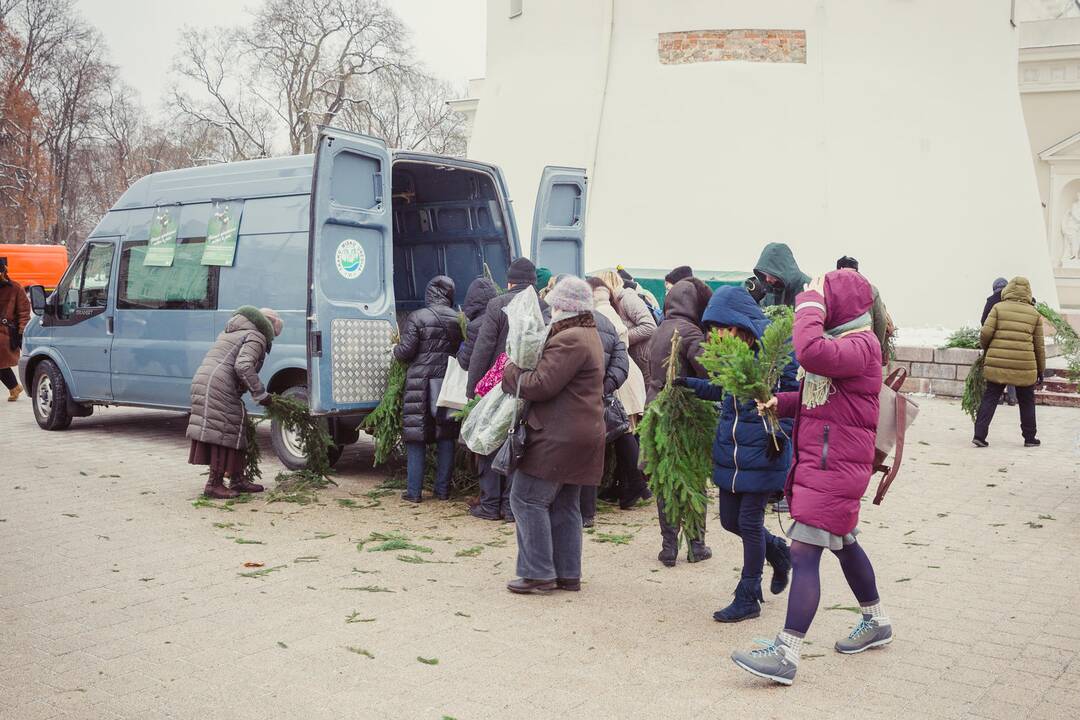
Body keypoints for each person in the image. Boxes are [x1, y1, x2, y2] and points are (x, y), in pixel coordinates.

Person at [731, 270, 889, 686]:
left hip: (834, 469)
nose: (819, 300)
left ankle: (787, 652)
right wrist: (780, 402)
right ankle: (877, 621)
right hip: (830, 465)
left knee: (803, 553)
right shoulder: (849, 345)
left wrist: (809, 305)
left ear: (841, 305)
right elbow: (826, 395)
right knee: (844, 543)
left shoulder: (860, 343)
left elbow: (810, 353)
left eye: (826, 297)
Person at [679, 286, 796, 623]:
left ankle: (748, 595)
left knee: (748, 521)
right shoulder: (732, 359)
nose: (717, 336)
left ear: (742, 326)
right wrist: (689, 384)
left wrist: (777, 432)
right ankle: (777, 551)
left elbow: (790, 401)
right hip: (731, 455)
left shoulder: (774, 358)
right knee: (731, 521)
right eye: (712, 329)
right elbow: (721, 390)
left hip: (762, 453)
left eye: (723, 328)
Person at [502, 277, 605, 594]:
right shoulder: (589, 335)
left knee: (526, 498)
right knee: (564, 504)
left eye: (555, 304)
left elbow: (541, 384)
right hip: (581, 434)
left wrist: (511, 371)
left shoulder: (570, 339)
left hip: (560, 435)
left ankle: (538, 573)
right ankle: (566, 574)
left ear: (566, 307)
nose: (551, 309)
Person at [467, 257, 550, 521]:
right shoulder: (545, 306)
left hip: (498, 386)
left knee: (491, 439)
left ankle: (491, 505)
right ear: (534, 283)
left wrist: (473, 388)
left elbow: (483, 347)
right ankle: (511, 506)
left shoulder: (498, 304)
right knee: (520, 442)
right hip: (531, 388)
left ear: (509, 281)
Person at [645, 277, 714, 566]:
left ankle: (668, 546)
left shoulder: (660, 328)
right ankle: (697, 545)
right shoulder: (690, 332)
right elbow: (708, 371)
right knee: (693, 477)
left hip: (656, 409)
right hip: (686, 413)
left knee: (666, 479)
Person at [188, 306, 283, 499]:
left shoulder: (237, 329)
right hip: (217, 384)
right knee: (223, 429)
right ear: (269, 326)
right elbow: (243, 365)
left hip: (206, 380)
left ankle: (237, 478)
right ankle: (213, 484)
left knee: (237, 425)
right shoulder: (256, 335)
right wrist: (261, 394)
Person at [394, 276, 463, 503]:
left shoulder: (417, 317)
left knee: (416, 438)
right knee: (446, 437)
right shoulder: (458, 320)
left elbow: (405, 352)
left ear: (429, 292)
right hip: (446, 384)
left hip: (419, 385)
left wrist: (394, 348)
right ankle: (442, 491)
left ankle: (414, 492)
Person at [587, 276, 650, 510]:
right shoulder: (608, 309)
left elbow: (618, 340)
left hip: (620, 375)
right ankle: (628, 484)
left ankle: (636, 484)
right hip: (623, 371)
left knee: (623, 430)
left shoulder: (602, 313)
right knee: (622, 430)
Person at [973, 277, 1044, 449]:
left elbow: (985, 333)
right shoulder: (1034, 313)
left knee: (990, 397)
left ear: (1008, 290)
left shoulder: (998, 308)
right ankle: (1029, 438)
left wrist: (988, 349)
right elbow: (1039, 346)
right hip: (1024, 366)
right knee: (1026, 400)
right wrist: (1040, 370)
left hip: (998, 363)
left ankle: (979, 436)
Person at [596, 269, 657, 378]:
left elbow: (650, 326)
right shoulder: (613, 303)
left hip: (644, 359)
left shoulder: (627, 297)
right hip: (633, 358)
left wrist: (622, 337)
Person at [836, 256, 895, 367]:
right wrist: (877, 347)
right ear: (857, 270)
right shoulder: (871, 289)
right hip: (864, 350)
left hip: (837, 352)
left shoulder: (829, 288)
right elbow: (881, 320)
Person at [981, 277, 1017, 406]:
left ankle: (999, 397)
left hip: (996, 343)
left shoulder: (991, 301)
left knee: (997, 371)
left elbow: (983, 322)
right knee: (1010, 369)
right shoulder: (1014, 301)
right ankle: (1012, 398)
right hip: (1012, 342)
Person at [0, 258, 30, 402]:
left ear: (4, 272)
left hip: (6, 333)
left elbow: (24, 312)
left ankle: (14, 387)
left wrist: (21, 331)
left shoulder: (15, 288)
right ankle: (14, 387)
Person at [456, 276, 498, 373]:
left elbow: (465, 363)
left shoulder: (474, 327)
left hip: (485, 382)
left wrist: (461, 349)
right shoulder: (502, 318)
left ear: (470, 300)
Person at [753, 243, 810, 308]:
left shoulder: (808, 289)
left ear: (783, 271)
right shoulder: (771, 289)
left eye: (771, 275)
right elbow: (762, 311)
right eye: (764, 275)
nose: (767, 279)